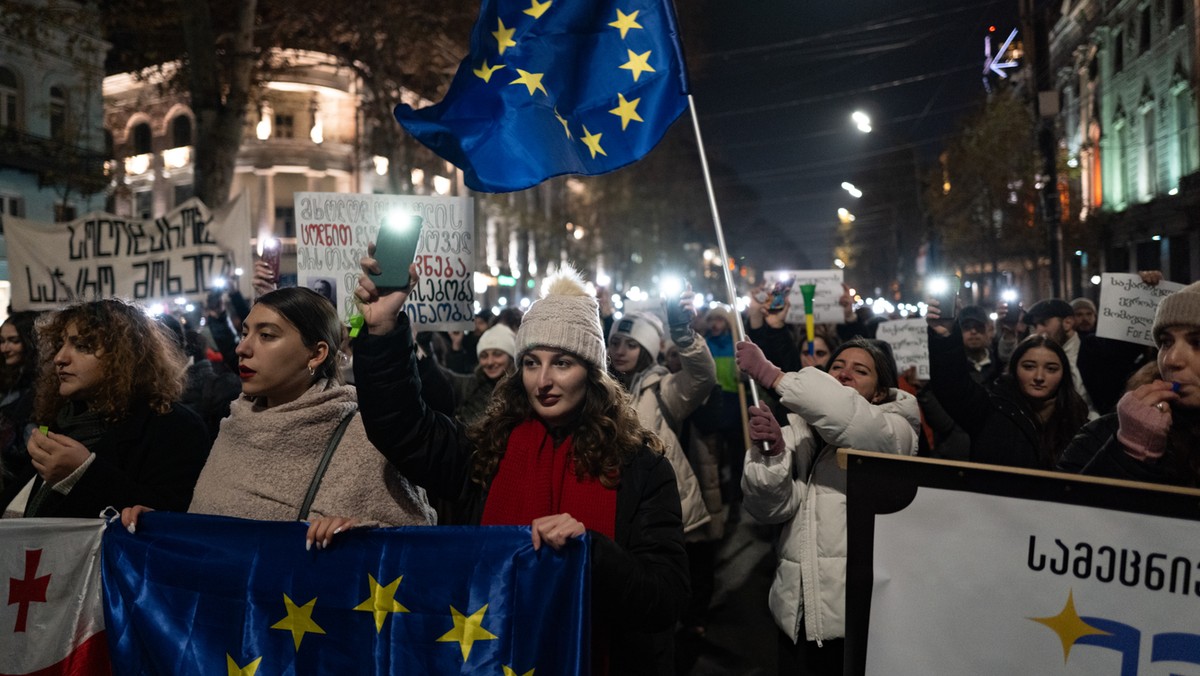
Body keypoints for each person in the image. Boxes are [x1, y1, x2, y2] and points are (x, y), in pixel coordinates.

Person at [351, 260, 688, 674]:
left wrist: (592, 550)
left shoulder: (642, 468)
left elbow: (665, 598)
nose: (542, 381)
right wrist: (384, 331)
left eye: (562, 363)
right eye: (531, 363)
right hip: (493, 658)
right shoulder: (485, 451)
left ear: (593, 373)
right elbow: (402, 429)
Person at [122, 287, 435, 547]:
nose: (242, 348)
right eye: (244, 334)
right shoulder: (235, 427)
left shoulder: (366, 437)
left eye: (267, 336)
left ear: (316, 354)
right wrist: (164, 528)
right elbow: (210, 538)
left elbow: (413, 545)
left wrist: (360, 538)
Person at [735, 336, 920, 674]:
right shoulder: (799, 430)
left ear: (879, 392)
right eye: (837, 367)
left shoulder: (896, 430)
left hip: (859, 617)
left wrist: (773, 375)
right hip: (798, 614)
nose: (845, 374)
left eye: (860, 370)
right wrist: (772, 457)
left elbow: (854, 420)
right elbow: (769, 511)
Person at [0, 300, 211, 519]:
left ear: (124, 356)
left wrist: (83, 474)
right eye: (60, 344)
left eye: (82, 346)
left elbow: (172, 518)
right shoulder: (63, 419)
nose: (60, 358)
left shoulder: (174, 427)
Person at [1058, 281, 1200, 484]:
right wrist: (1129, 454)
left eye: (1197, 343)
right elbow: (1067, 511)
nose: (1170, 360)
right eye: (1166, 342)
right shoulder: (1106, 433)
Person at [928, 301, 1089, 469]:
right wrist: (945, 336)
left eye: (1051, 368)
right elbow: (952, 385)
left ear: (1063, 374)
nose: (1039, 377)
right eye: (1029, 366)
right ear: (1014, 370)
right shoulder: (991, 411)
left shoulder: (1078, 417)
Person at [608, 309, 713, 534]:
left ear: (648, 350)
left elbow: (702, 377)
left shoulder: (661, 388)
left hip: (660, 505)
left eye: (631, 345)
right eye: (614, 342)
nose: (620, 351)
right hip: (618, 501)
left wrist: (683, 334)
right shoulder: (601, 391)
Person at [0, 311, 40, 491]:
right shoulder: (5, 379)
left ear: (29, 342)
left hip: (22, 479)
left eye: (13, 341)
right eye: (1, 341)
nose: (5, 348)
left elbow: (40, 433)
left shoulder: (41, 387)